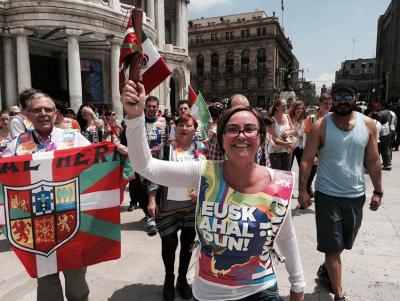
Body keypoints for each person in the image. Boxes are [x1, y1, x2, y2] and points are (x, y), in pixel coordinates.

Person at [121, 81, 305, 301]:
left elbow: (286, 236)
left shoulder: (279, 183)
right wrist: (134, 117)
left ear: (261, 138)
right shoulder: (203, 172)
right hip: (209, 294)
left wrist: (298, 284)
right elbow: (146, 167)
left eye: (249, 129)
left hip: (261, 291)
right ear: (221, 139)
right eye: (232, 129)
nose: (241, 135)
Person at [298, 79, 382, 301]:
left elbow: (373, 161)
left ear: (355, 98)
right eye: (337, 97)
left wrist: (378, 191)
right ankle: (340, 294)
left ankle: (327, 271)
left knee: (344, 243)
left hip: (355, 196)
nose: (342, 101)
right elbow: (306, 159)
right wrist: (303, 189)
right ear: (331, 99)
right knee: (332, 247)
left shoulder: (369, 125)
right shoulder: (320, 126)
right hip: (327, 195)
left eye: (347, 97)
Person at [3, 92, 91, 301]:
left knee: (77, 281)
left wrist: (119, 153)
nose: (43, 114)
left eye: (48, 109)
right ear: (27, 115)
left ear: (55, 113)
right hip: (36, 225)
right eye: (36, 110)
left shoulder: (73, 138)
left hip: (71, 220)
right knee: (47, 282)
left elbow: (99, 162)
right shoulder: (16, 145)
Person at [148, 114, 207, 301]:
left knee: (188, 244)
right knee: (169, 244)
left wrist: (202, 189)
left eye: (188, 125)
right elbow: (153, 172)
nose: (184, 128)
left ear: (194, 129)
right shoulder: (166, 148)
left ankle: (182, 280)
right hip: (167, 205)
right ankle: (168, 278)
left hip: (191, 207)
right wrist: (151, 198)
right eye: (181, 124)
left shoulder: (202, 150)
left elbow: (207, 175)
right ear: (176, 128)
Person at [302, 94, 332, 199]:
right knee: (310, 174)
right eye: (325, 104)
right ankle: (306, 192)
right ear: (320, 104)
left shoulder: (333, 118)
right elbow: (306, 137)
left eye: (330, 104)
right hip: (314, 151)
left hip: (327, 151)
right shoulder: (312, 118)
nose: (328, 106)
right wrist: (312, 154)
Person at [268, 98, 295, 171]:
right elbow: (273, 137)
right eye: (283, 106)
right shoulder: (272, 120)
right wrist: (285, 144)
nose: (285, 107)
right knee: (277, 175)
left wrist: (288, 132)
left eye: (286, 105)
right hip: (275, 151)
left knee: (286, 174)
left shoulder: (287, 116)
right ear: (277, 107)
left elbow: (293, 130)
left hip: (287, 150)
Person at [288, 100, 306, 169]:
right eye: (297, 108)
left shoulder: (304, 119)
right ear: (294, 109)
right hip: (291, 146)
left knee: (302, 167)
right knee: (288, 168)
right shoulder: (289, 118)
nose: (299, 110)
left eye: (301, 108)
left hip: (300, 146)